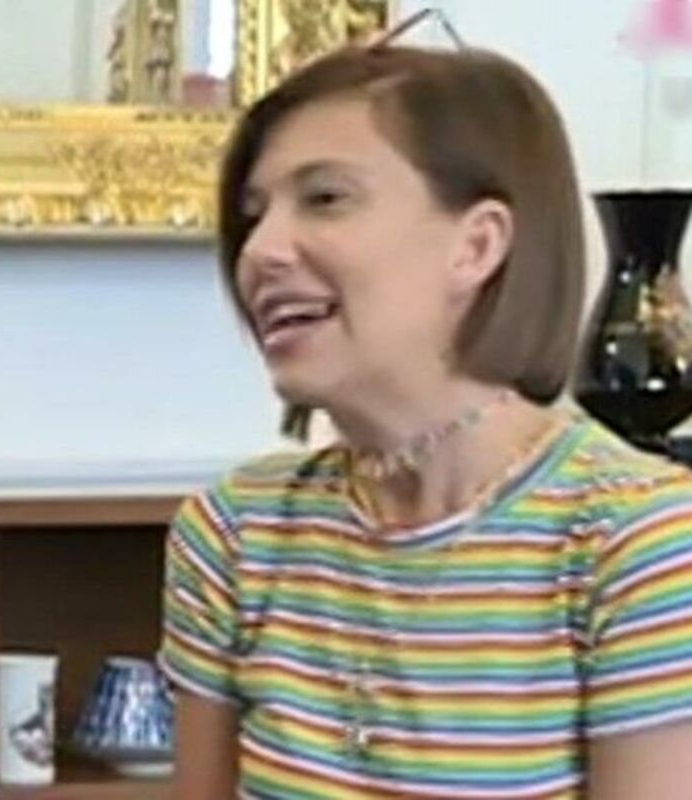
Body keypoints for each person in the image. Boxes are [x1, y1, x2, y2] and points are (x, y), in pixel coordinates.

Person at [158, 28, 692, 800]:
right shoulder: (235, 533)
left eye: (325, 198)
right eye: (253, 215)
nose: (260, 251)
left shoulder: (640, 543)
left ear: (477, 246)